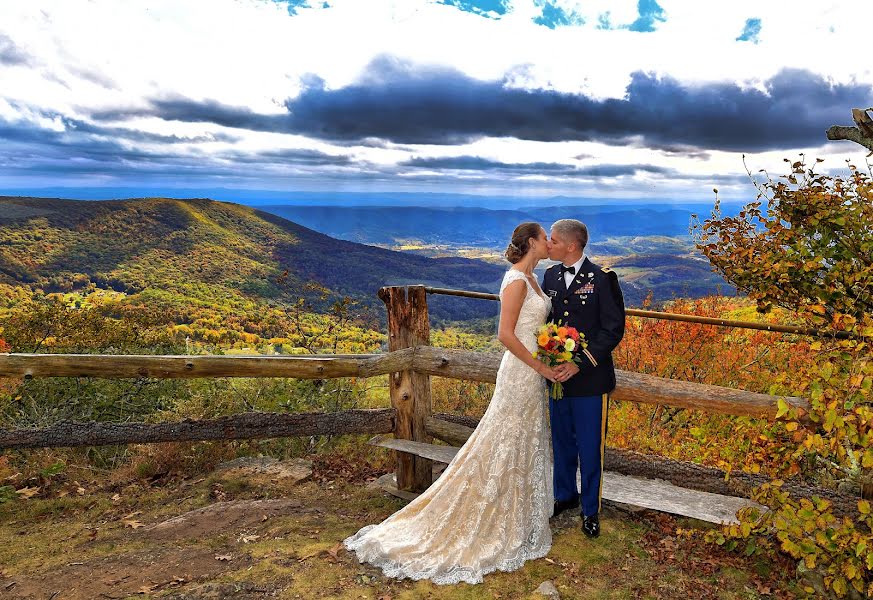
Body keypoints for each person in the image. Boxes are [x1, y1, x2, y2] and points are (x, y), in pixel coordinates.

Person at [344, 222, 557, 585]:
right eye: (546, 238)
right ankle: (485, 513)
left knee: (524, 438)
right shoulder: (517, 281)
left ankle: (519, 508)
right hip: (520, 372)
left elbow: (534, 327)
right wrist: (539, 364)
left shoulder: (535, 278)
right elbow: (505, 335)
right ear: (533, 243)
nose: (551, 243)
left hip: (534, 372)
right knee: (503, 437)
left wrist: (551, 350)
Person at [541, 219, 625, 539]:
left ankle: (591, 509)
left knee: (590, 448)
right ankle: (564, 495)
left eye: (553, 241)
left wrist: (578, 363)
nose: (548, 245)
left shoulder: (602, 279)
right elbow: (548, 322)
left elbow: (612, 329)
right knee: (561, 443)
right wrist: (549, 356)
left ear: (571, 246)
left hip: (590, 380)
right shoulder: (549, 275)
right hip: (557, 379)